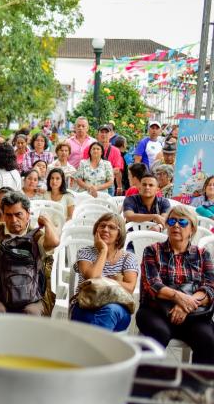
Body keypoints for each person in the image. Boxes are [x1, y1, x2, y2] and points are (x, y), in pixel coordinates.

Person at [137, 206, 214, 364]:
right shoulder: (152, 251)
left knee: (208, 339)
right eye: (172, 221)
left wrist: (186, 305)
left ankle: (195, 386)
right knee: (158, 334)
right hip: (156, 310)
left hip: (194, 314)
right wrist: (179, 297)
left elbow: (210, 287)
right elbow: (153, 284)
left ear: (192, 228)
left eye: (182, 222)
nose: (176, 225)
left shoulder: (202, 254)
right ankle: (145, 382)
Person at [0, 191, 59, 316]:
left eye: (18, 214)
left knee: (32, 313)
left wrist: (46, 221)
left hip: (32, 296)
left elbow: (54, 242)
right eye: (8, 215)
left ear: (28, 214)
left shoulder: (36, 236)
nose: (13, 220)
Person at [71, 213, 138, 331]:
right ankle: (97, 347)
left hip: (118, 308)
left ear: (119, 234)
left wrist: (102, 281)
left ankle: (88, 347)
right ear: (96, 229)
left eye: (111, 227)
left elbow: (130, 287)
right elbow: (92, 277)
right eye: (102, 226)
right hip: (86, 303)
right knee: (93, 319)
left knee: (110, 311)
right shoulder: (85, 252)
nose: (105, 230)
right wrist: (103, 250)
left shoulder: (128, 257)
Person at [97, 124, 124, 195]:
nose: (104, 134)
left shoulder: (115, 151)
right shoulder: (90, 148)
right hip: (93, 183)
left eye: (106, 132)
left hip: (109, 184)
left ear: (110, 134)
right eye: (102, 132)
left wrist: (119, 186)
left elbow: (117, 170)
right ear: (98, 134)